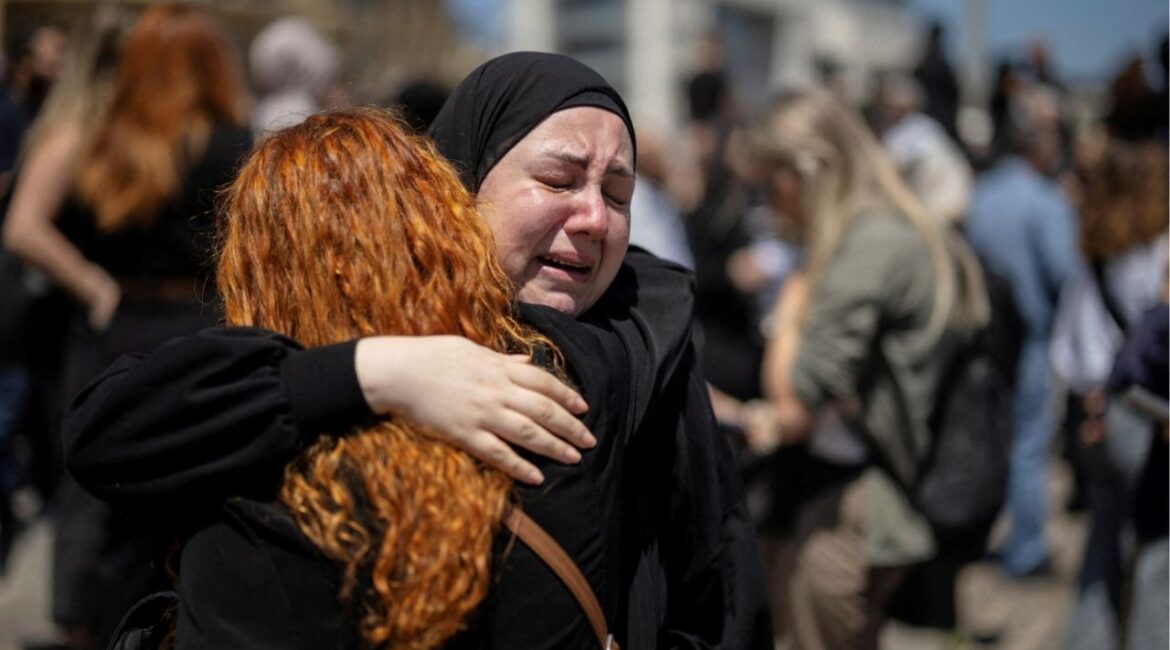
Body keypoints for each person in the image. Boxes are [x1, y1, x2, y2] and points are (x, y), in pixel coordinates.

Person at [66, 52, 771, 648]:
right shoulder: (357, 331)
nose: (592, 218)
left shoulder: (649, 332)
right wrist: (383, 370)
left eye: (618, 194)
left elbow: (724, 587)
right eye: (558, 181)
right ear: (456, 189)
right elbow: (113, 425)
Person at [3, 6, 251, 648]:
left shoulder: (103, 137)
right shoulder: (229, 143)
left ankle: (88, 622)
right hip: (198, 326)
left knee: (99, 488)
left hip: (123, 331)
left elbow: (27, 224)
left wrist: (94, 283)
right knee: (189, 489)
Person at [744, 89, 987, 650]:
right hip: (855, 498)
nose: (769, 201)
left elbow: (794, 403)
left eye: (770, 181)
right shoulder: (887, 230)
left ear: (808, 171)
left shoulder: (870, 243)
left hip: (852, 511)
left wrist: (791, 303)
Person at [1052, 137, 1168, 650]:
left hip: (1094, 409)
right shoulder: (1161, 252)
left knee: (1102, 543)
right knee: (1155, 552)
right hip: (1145, 414)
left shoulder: (1094, 248)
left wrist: (1090, 400)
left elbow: (1065, 347)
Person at [966, 85, 1078, 579]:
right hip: (1032, 340)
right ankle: (1025, 551)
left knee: (992, 439)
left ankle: (981, 536)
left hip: (986, 341)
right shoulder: (1046, 202)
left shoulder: (983, 192)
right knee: (1030, 446)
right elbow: (1068, 276)